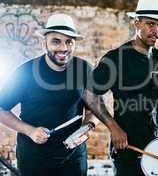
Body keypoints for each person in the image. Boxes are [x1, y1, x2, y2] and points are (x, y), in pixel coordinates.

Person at [89, 0, 158, 176]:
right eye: (150, 24)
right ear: (137, 23)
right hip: (127, 148)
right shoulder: (116, 58)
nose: (156, 30)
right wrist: (113, 127)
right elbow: (90, 95)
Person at [0, 14, 94, 176]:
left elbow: (95, 110)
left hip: (73, 157)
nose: (64, 48)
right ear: (44, 43)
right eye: (56, 41)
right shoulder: (26, 72)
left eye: (69, 41)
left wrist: (87, 127)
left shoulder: (83, 69)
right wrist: (30, 131)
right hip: (34, 157)